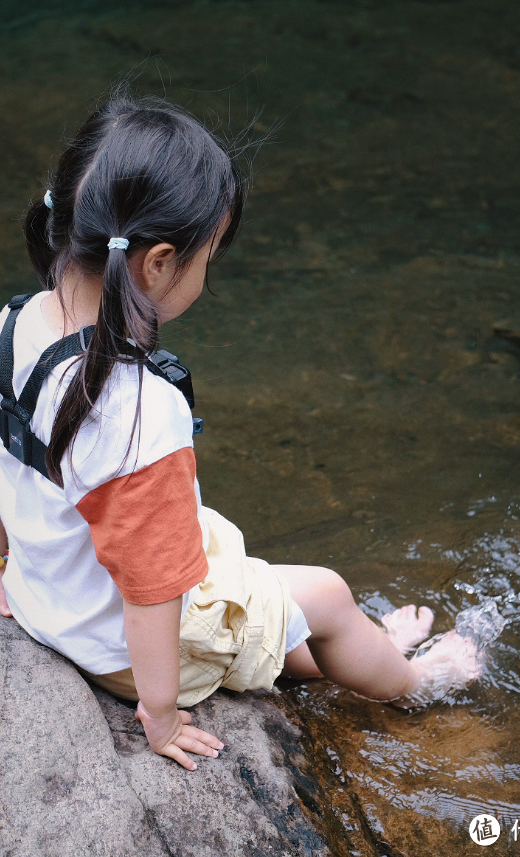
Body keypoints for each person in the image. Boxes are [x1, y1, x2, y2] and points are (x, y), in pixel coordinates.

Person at [0, 93, 480, 772]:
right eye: (208, 259)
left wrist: (9, 573)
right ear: (160, 262)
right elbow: (153, 584)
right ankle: (411, 681)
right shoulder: (140, 410)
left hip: (50, 597)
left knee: (233, 559)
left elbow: (10, 464)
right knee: (328, 593)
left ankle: (335, 648)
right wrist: (160, 713)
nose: (206, 275)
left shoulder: (14, 325)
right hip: (122, 651)